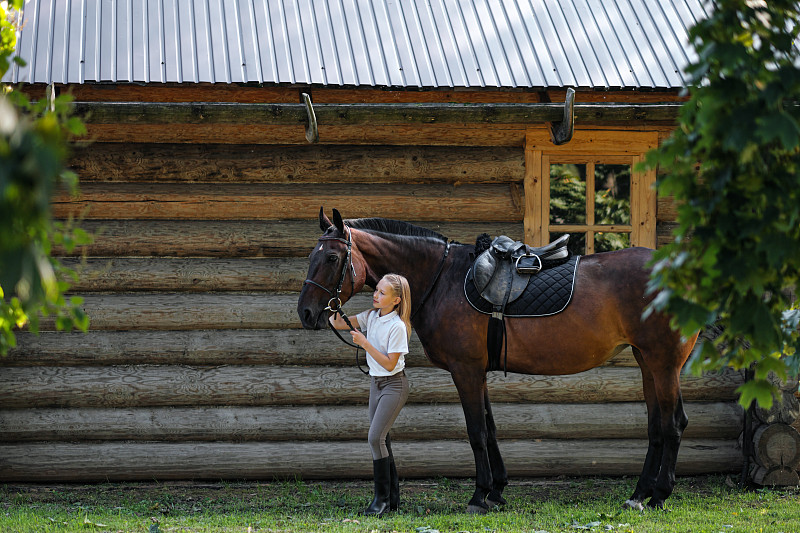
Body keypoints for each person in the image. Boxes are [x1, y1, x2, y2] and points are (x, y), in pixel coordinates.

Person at [329, 273, 412, 516]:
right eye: (376, 290)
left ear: (396, 300)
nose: (376, 295)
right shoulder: (371, 317)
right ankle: (392, 499)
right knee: (382, 439)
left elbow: (389, 364)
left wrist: (365, 343)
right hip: (376, 385)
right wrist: (337, 299)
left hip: (394, 386)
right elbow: (337, 322)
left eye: (382, 293)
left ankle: (381, 501)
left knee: (375, 438)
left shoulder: (397, 326)